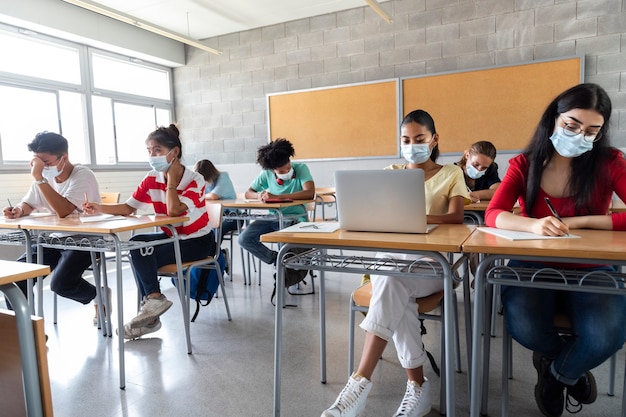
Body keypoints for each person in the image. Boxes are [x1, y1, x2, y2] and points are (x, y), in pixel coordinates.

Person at [484, 83, 626, 417]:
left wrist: (580, 222)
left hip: (590, 266)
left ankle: (557, 374)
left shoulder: (609, 161)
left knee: (606, 336)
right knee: (526, 327)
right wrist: (533, 224)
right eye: (571, 126)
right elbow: (493, 213)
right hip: (530, 265)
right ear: (554, 120)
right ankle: (566, 368)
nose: (580, 136)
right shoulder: (526, 163)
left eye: (592, 131)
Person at [322, 110, 469, 417]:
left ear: (434, 139)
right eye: (405, 139)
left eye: (419, 139)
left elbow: (456, 217)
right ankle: (417, 389)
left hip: (431, 265)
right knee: (393, 282)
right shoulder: (391, 171)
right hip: (392, 260)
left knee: (390, 281)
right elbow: (377, 215)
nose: (411, 144)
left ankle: (360, 382)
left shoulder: (451, 173)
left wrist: (416, 216)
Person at [83, 124, 216, 339]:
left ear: (174, 153)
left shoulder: (195, 180)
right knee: (138, 243)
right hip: (172, 237)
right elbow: (128, 208)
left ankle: (151, 313)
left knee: (143, 252)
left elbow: (174, 212)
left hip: (197, 241)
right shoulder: (151, 177)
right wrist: (98, 207)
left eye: (157, 150)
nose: (152, 156)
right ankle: (154, 302)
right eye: (149, 151)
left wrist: (171, 181)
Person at [2, 131, 102, 321]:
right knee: (16, 279)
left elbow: (63, 210)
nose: (41, 167)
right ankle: (27, 334)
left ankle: (98, 295)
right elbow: (29, 203)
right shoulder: (42, 178)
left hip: (86, 241)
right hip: (52, 240)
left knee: (61, 284)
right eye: (37, 162)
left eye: (46, 163)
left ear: (64, 157)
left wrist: (39, 177)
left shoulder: (82, 175)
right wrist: (18, 210)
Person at [238, 138, 315, 267]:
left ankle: (287, 268)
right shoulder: (266, 173)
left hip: (295, 218)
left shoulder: (301, 168)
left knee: (283, 235)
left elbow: (310, 192)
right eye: (281, 171)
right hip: (272, 217)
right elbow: (248, 193)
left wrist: (279, 197)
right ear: (273, 170)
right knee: (244, 239)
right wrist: (259, 196)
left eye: (288, 167)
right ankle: (277, 261)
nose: (287, 172)